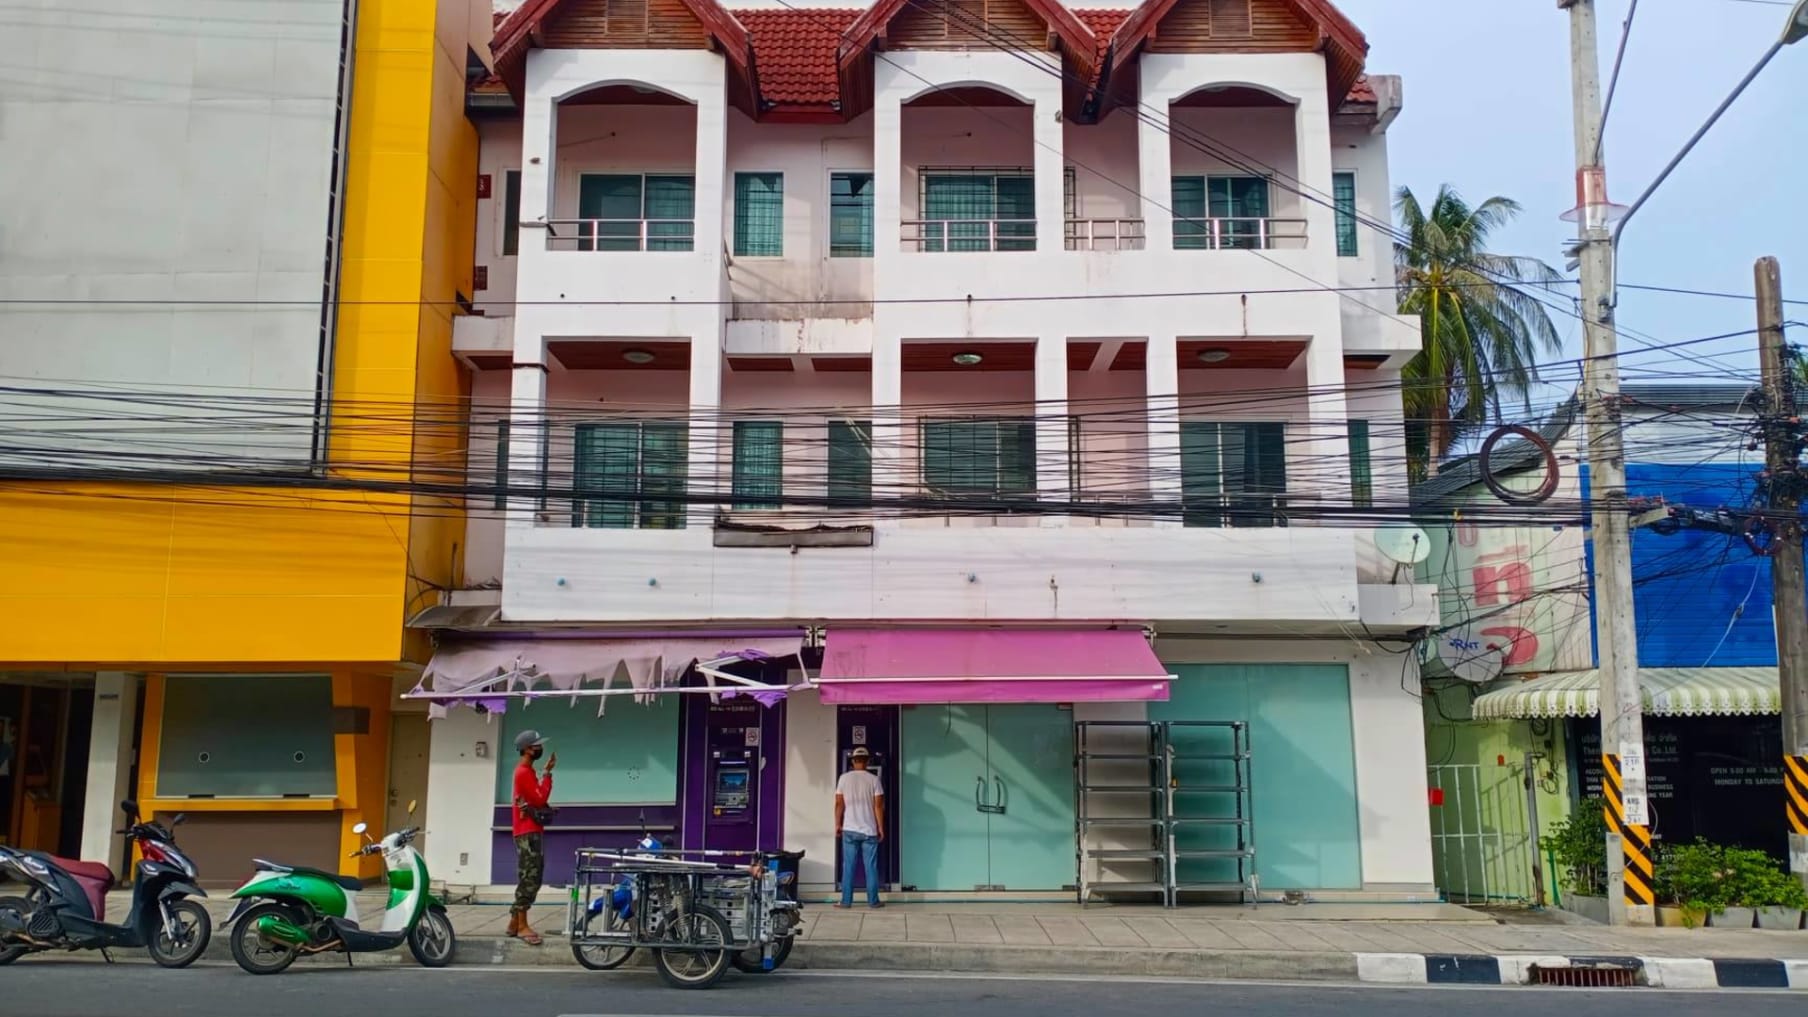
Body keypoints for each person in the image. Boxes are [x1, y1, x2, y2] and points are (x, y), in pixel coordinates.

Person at [508, 729, 555, 945]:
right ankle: (522, 925)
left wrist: (544, 772)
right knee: (530, 877)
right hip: (527, 831)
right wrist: (547, 776)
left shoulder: (526, 771)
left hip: (529, 830)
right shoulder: (523, 772)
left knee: (530, 875)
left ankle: (514, 922)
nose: (539, 749)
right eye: (536, 746)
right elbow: (539, 798)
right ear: (527, 749)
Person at [833, 746, 885, 909]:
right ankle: (873, 901)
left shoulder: (843, 779)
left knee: (848, 866)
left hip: (849, 830)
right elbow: (878, 807)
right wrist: (880, 828)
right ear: (868, 761)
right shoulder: (874, 780)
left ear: (853, 761)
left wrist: (837, 823)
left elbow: (839, 804)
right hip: (869, 830)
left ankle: (846, 901)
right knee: (871, 867)